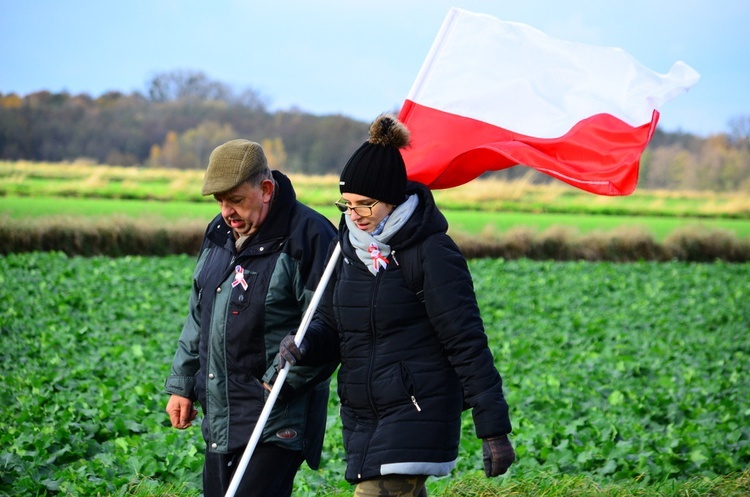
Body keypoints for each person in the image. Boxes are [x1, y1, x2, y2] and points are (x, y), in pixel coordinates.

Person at [278, 114, 515, 496]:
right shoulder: (347, 251)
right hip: (362, 412)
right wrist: (304, 343)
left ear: (391, 199)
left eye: (364, 205)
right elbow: (331, 324)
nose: (353, 215)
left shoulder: (431, 252)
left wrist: (494, 429)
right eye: (347, 204)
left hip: (416, 407)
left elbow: (465, 340)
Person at [164, 139, 338, 497]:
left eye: (236, 200)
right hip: (222, 415)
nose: (227, 211)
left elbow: (330, 326)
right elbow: (199, 314)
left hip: (276, 415)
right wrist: (182, 384)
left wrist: (277, 382)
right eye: (220, 201)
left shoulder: (310, 235)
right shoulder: (218, 232)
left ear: (266, 189)